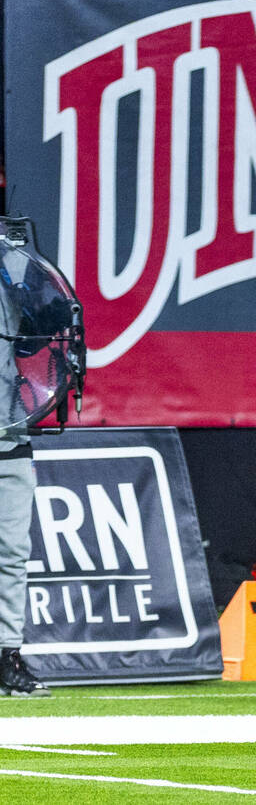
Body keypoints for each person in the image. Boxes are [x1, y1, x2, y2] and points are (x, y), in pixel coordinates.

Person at [0, 287, 49, 697]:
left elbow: (37, 338)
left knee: (14, 554)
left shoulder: (10, 278)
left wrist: (37, 298)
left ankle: (7, 654)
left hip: (9, 432)